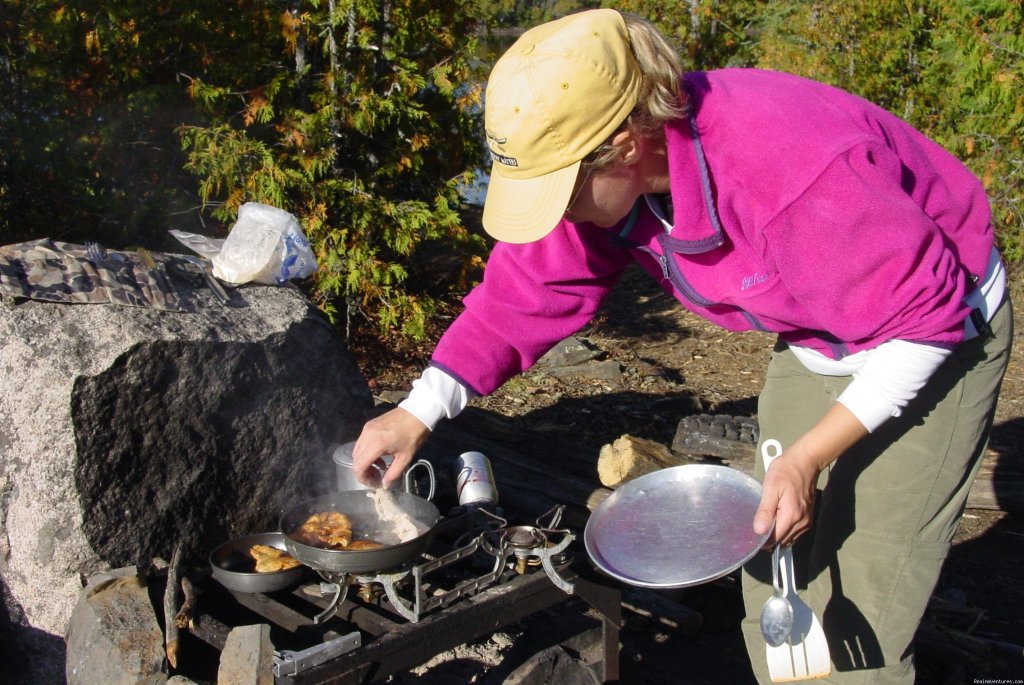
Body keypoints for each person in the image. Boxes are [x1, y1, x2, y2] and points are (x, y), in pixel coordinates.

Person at [352, 8, 1012, 684]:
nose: (555, 213)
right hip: (822, 327)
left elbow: (928, 319)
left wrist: (810, 455)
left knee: (860, 605)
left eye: (560, 189)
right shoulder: (607, 177)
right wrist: (419, 408)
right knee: (776, 561)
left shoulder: (787, 165)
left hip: (936, 331)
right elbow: (528, 290)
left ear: (626, 143)